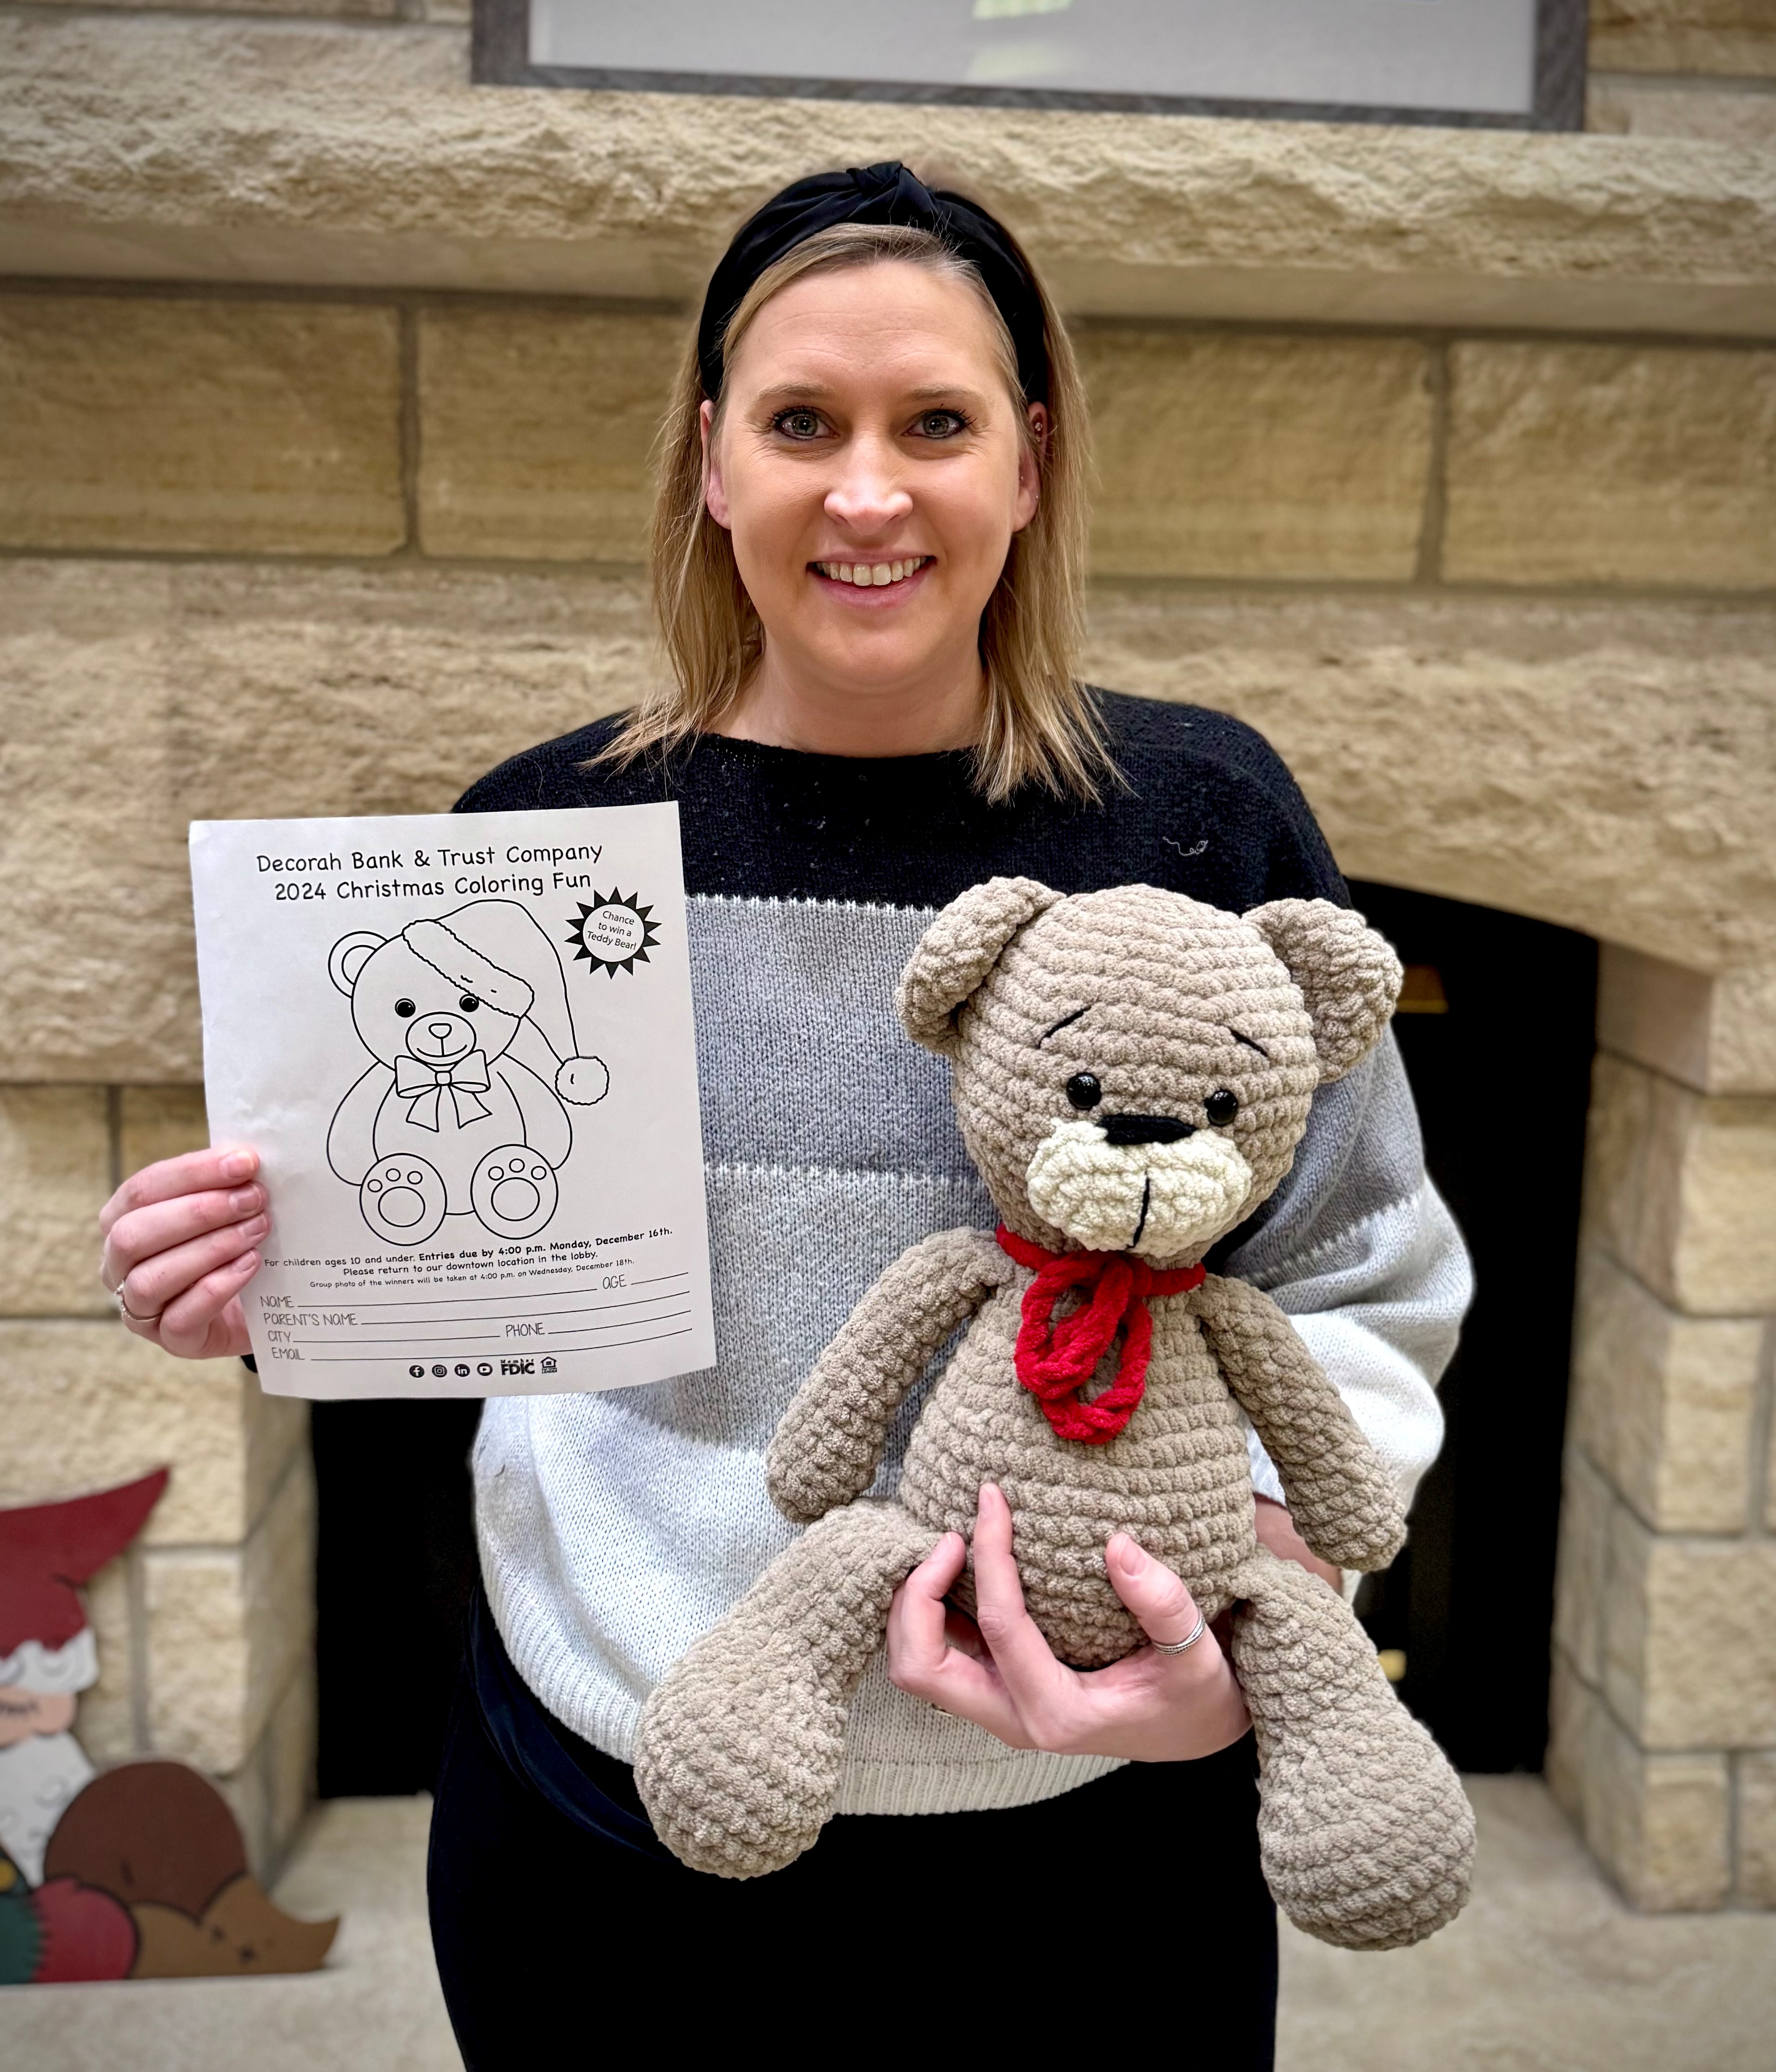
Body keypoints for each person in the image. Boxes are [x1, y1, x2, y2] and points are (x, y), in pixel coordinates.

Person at [97, 164, 1468, 2065]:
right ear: (711, 461)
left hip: (1087, 1827)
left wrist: (1236, 1631)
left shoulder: (1203, 818)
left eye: (937, 424)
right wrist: (270, 1282)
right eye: (802, 422)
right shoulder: (536, 837)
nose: (868, 491)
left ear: (1032, 461)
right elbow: (460, 1282)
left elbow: (1356, 1262)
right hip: (611, 1787)